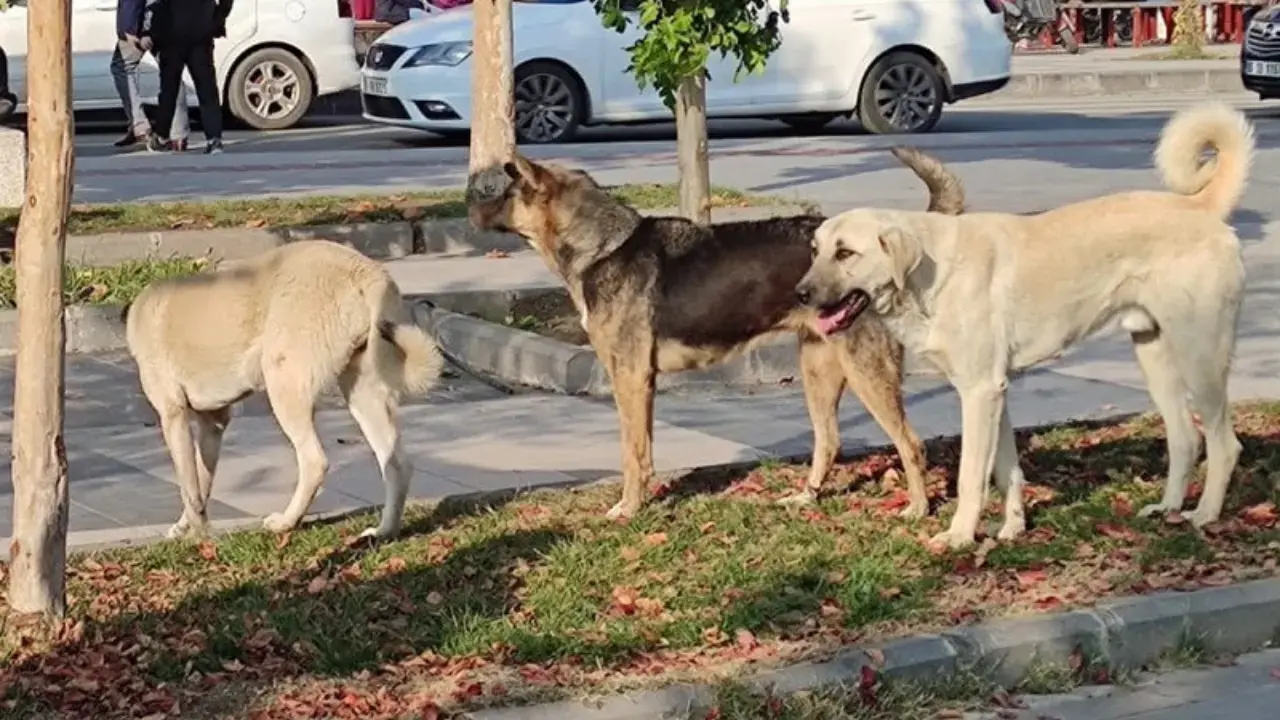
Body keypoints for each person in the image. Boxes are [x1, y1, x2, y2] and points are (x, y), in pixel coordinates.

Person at [145, 0, 233, 155]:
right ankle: (214, 139)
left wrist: (150, 32)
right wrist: (216, 18)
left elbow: (155, 4)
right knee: (207, 89)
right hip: (200, 32)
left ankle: (162, 137)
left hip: (171, 34)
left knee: (169, 90)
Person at [112, 0, 190, 151]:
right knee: (171, 72)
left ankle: (139, 125)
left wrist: (129, 26)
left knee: (121, 66)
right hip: (170, 20)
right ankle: (178, 134)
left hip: (144, 20)